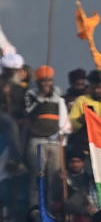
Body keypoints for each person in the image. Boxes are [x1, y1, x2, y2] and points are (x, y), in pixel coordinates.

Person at [24, 65, 70, 205]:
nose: (47, 84)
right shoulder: (31, 94)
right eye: (43, 81)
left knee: (54, 178)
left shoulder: (58, 96)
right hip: (37, 142)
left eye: (49, 81)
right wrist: (41, 96)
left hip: (55, 142)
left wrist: (63, 135)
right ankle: (35, 208)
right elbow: (28, 111)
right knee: (37, 176)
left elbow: (63, 117)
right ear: (38, 82)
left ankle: (51, 210)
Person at [0, 53, 27, 122]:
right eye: (8, 70)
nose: (13, 73)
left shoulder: (26, 87)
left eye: (16, 70)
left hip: (18, 122)